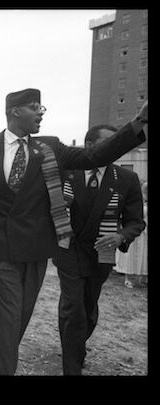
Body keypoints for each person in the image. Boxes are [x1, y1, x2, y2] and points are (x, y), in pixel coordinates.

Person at [0, 90, 148, 375]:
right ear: (15, 111)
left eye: (41, 107)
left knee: (21, 315)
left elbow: (96, 154)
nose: (41, 113)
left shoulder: (50, 147)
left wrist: (138, 121)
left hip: (37, 248)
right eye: (35, 107)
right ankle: (5, 369)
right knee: (8, 316)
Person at [54, 125, 145, 374]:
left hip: (101, 252)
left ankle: (75, 345)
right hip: (68, 248)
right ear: (89, 145)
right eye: (110, 142)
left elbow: (136, 221)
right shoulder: (65, 172)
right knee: (73, 307)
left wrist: (120, 236)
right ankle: (72, 367)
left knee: (88, 308)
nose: (115, 146)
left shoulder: (126, 179)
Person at [114, 179, 148, 288]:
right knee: (131, 255)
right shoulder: (134, 200)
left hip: (144, 232)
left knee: (143, 254)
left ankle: (142, 277)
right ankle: (128, 277)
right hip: (134, 231)